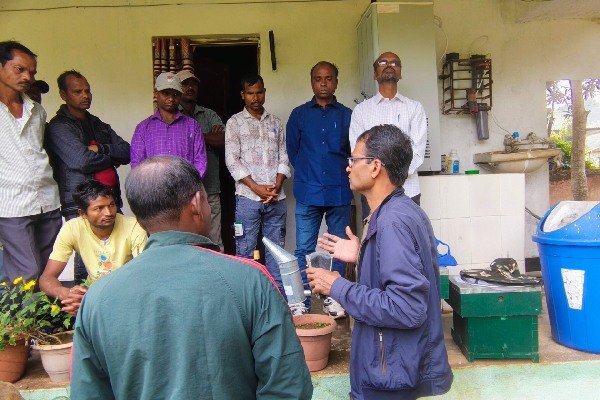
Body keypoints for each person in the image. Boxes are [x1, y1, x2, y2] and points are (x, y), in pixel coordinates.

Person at [71, 156, 313, 399]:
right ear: (196, 203)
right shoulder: (250, 281)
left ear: (140, 217)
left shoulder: (97, 298)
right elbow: (288, 389)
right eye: (207, 200)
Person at [308, 125, 453, 400]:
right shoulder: (403, 210)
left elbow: (407, 307)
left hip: (389, 378)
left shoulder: (392, 222)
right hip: (395, 369)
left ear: (375, 167)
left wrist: (337, 286)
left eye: (354, 160)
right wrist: (363, 253)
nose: (348, 167)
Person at [46, 70, 131, 281]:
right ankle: (84, 300)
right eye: (78, 92)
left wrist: (101, 148)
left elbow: (127, 151)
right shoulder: (58, 127)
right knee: (87, 260)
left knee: (114, 255)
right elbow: (82, 161)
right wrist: (110, 157)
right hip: (81, 204)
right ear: (63, 95)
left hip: (109, 200)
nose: (85, 95)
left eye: (88, 91)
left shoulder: (97, 123)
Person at [286, 61, 352, 317]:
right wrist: (310, 174)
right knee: (304, 248)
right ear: (311, 82)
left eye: (328, 78)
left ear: (336, 82)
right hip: (308, 192)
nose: (323, 83)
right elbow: (293, 152)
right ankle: (300, 301)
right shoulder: (299, 115)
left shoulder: (347, 115)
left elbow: (352, 152)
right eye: (318, 78)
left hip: (338, 191)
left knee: (339, 248)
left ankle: (335, 298)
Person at [0, 41, 62, 285]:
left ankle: (47, 312)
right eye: (20, 69)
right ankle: (22, 313)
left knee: (50, 271)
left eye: (32, 72)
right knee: (26, 272)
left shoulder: (37, 110)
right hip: (12, 205)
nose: (27, 77)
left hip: (47, 200)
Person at [225, 74, 290, 298]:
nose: (255, 97)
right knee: (245, 250)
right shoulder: (234, 123)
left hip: (276, 198)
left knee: (276, 252)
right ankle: (246, 300)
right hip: (247, 199)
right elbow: (232, 161)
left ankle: (277, 299)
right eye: (250, 93)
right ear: (242, 95)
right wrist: (256, 188)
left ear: (264, 92)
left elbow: (284, 157)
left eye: (259, 92)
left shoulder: (276, 122)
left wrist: (276, 185)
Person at [39, 180, 147, 315]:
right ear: (82, 214)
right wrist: (66, 294)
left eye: (111, 205)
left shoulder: (134, 227)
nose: (108, 212)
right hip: (94, 294)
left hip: (129, 295)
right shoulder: (72, 228)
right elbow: (46, 278)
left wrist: (92, 302)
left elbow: (144, 276)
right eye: (99, 208)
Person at [349, 51, 427, 206]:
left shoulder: (415, 108)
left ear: (400, 73)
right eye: (383, 63)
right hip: (373, 193)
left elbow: (417, 152)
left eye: (394, 63)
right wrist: (380, 178)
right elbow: (359, 154)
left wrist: (392, 176)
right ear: (375, 74)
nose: (389, 65)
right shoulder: (361, 111)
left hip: (408, 191)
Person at [177, 70, 225, 250]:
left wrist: (195, 136)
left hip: (210, 188)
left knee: (214, 242)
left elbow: (223, 140)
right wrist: (208, 137)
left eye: (194, 84)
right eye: (185, 84)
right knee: (187, 243)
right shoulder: (173, 116)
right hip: (181, 193)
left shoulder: (209, 114)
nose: (190, 88)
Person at [130, 71, 207, 178]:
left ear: (180, 95)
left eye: (175, 94)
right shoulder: (143, 128)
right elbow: (137, 164)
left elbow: (200, 161)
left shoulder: (192, 126)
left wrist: (190, 183)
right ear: (156, 94)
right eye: (165, 93)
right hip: (154, 186)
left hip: (186, 186)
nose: (171, 98)